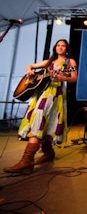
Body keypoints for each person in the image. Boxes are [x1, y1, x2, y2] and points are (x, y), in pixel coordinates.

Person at [4, 39, 77, 174]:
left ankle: (27, 161)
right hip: (41, 93)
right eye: (58, 45)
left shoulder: (69, 62)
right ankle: (48, 152)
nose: (60, 47)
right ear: (55, 48)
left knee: (39, 120)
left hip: (55, 94)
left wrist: (62, 78)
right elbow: (30, 66)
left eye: (63, 46)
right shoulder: (49, 62)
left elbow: (73, 77)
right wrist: (29, 71)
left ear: (66, 49)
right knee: (42, 120)